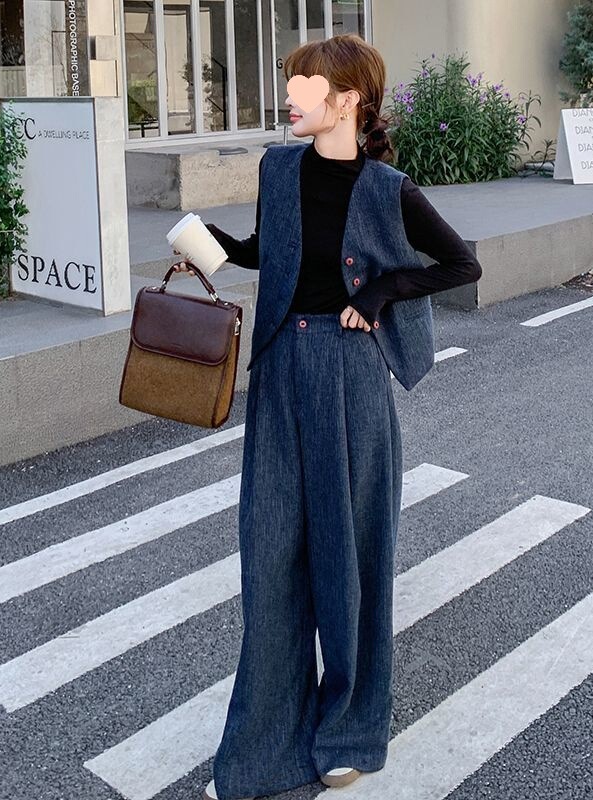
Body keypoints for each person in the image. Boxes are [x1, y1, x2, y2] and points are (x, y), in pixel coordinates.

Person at [172, 33, 482, 800]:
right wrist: (207, 245)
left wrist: (378, 293)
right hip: (280, 372)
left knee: (351, 558)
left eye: (305, 82)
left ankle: (349, 728)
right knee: (270, 556)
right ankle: (263, 746)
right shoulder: (278, 171)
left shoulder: (389, 189)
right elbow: (268, 251)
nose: (291, 93)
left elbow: (460, 263)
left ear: (347, 99)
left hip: (351, 380)